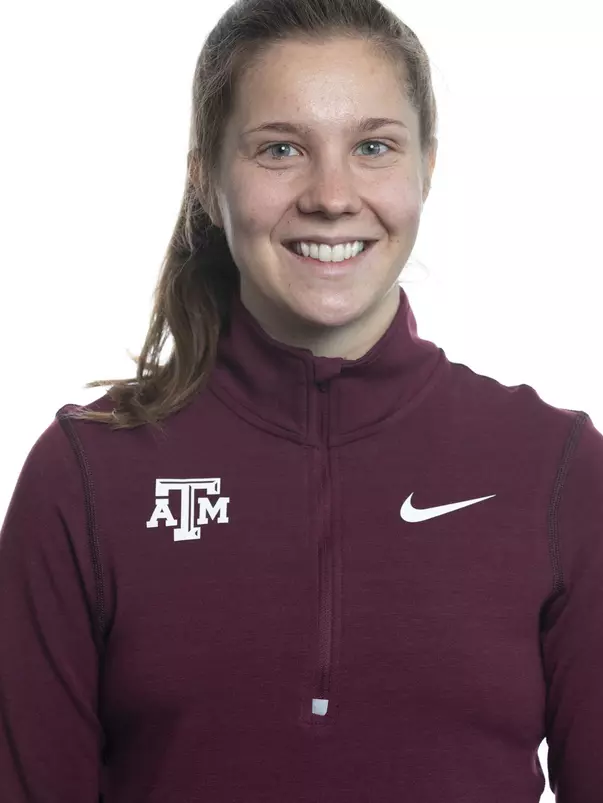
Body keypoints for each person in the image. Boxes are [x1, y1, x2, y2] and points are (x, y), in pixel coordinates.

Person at [1, 0, 601, 800]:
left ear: (426, 164)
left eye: (373, 147)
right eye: (280, 148)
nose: (331, 195)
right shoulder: (86, 474)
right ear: (205, 175)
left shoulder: (553, 468)